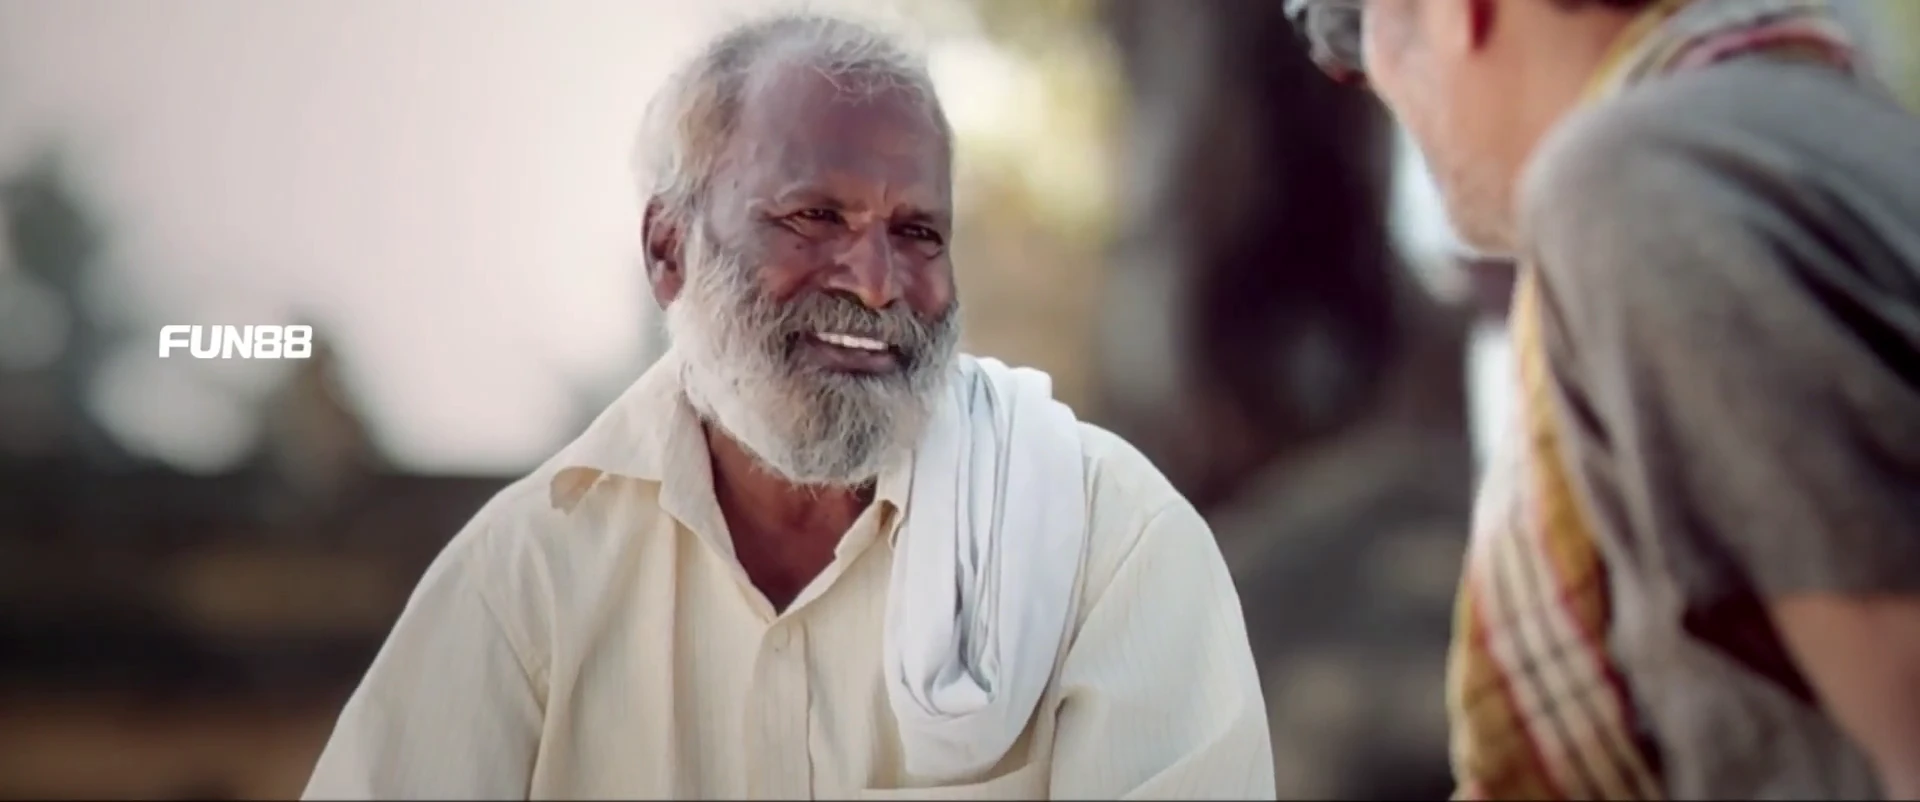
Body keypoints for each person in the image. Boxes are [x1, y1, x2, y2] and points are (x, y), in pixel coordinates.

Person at [301, 12, 1276, 801]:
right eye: (814, 216)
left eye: (918, 232)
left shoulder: (1109, 543)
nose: (876, 282)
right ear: (668, 250)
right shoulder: (529, 577)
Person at [1286, 0, 1920, 798]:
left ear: (1460, 12)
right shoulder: (1831, 130)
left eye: (1347, 25)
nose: (1363, 73)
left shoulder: (1638, 182)